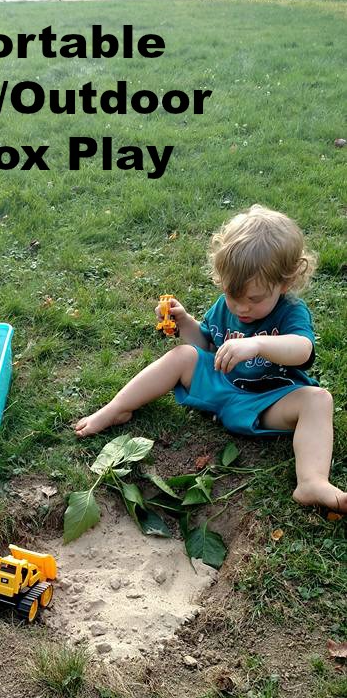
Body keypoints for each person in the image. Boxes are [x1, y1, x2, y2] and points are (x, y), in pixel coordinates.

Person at [75, 205, 346, 513]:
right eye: (233, 296)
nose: (242, 308)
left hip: (267, 400)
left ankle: (311, 482)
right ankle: (117, 408)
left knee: (318, 400)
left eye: (255, 299)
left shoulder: (291, 310)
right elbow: (205, 344)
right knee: (182, 355)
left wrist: (258, 344)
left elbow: (302, 349)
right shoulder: (224, 306)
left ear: (284, 284)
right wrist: (185, 323)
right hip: (220, 385)